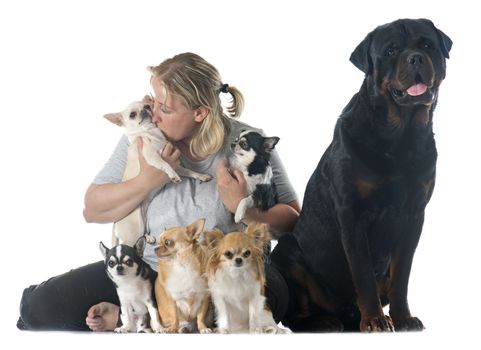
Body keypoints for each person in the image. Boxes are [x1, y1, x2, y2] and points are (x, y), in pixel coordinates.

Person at [17, 52, 300, 331]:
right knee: (37, 308)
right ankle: (150, 315)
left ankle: (141, 319)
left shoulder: (247, 142)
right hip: (153, 271)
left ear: (200, 112)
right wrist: (147, 180)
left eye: (166, 108)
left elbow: (292, 219)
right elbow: (92, 210)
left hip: (225, 271)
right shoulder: (144, 137)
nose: (154, 114)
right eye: (155, 102)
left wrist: (244, 207)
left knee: (273, 298)